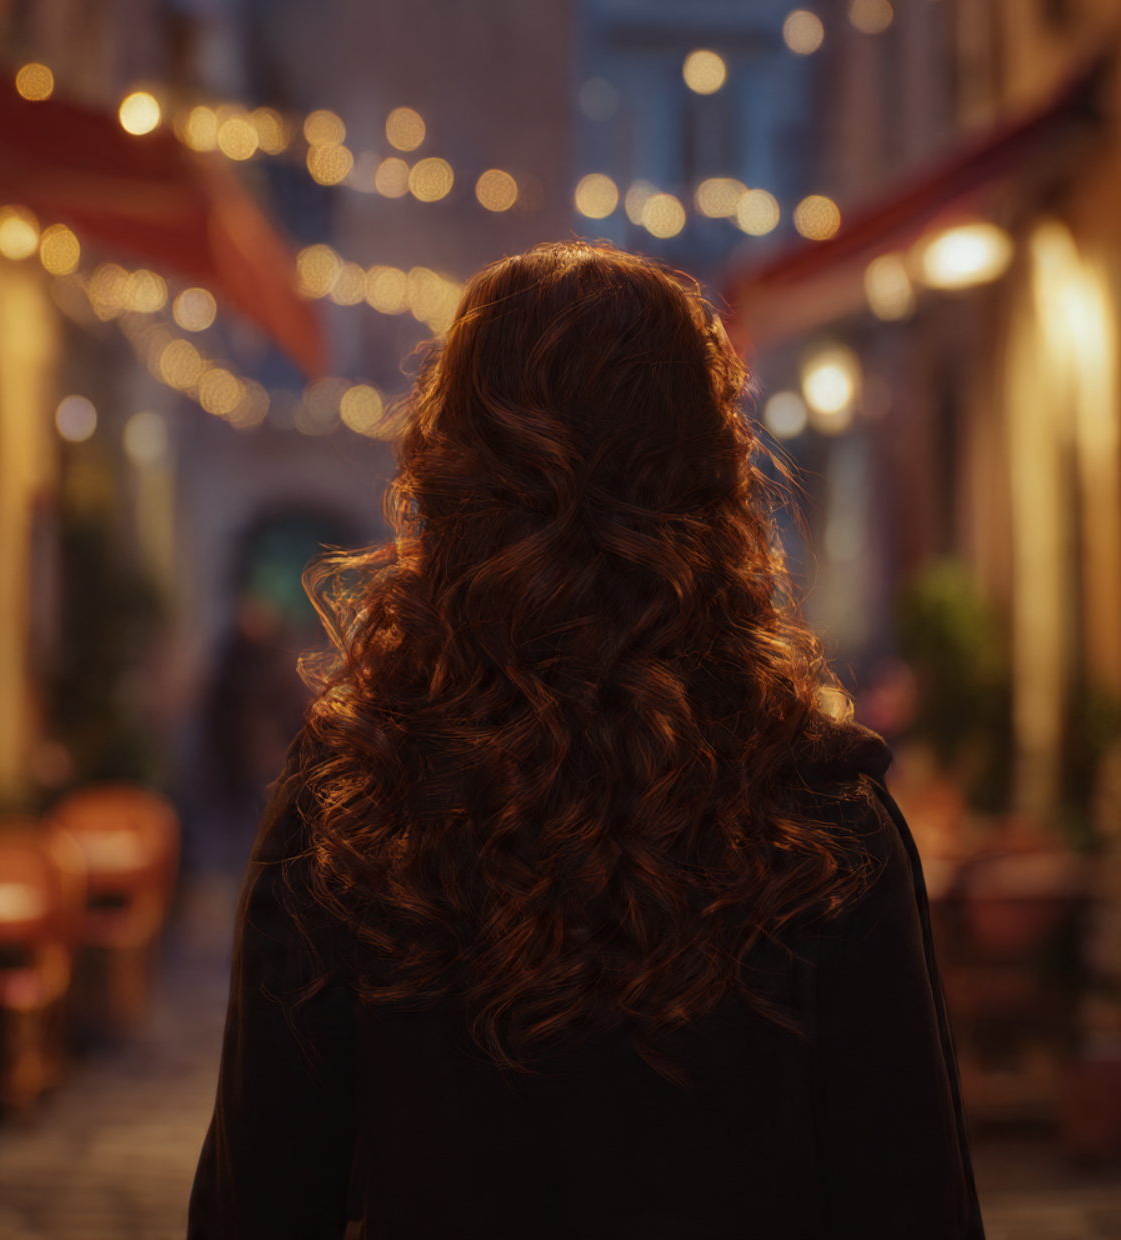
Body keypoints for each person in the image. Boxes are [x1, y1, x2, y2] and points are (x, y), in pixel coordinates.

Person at [188, 242, 985, 1239]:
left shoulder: (353, 800)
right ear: (710, 479)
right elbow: (910, 1199)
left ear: (448, 475)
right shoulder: (819, 814)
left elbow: (258, 1201)